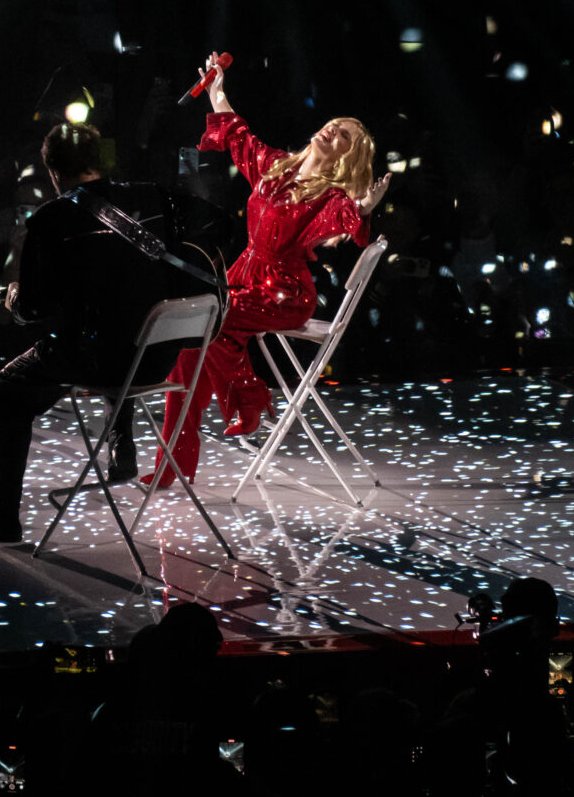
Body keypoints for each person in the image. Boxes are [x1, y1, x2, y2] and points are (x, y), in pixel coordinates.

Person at [143, 52, 391, 487]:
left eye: (344, 137)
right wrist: (217, 90)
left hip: (285, 292)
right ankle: (173, 464)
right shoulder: (275, 167)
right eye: (335, 125)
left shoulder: (329, 197)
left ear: (345, 159)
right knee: (188, 350)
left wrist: (363, 208)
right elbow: (238, 134)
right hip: (244, 277)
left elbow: (345, 217)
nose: (332, 130)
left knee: (212, 317)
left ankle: (250, 397)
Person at [0, 122, 199, 543]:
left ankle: (4, 516)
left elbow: (34, 310)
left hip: (100, 361)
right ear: (99, 159)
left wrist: (13, 297)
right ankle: (122, 446)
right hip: (159, 357)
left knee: (9, 387)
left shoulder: (51, 218)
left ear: (53, 170)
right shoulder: (152, 197)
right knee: (118, 324)